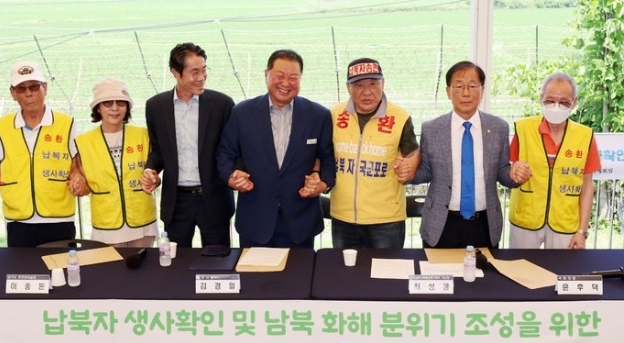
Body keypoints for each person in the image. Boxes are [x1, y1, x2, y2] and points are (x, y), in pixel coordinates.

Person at [216, 49, 335, 248]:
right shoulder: (242, 113)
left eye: (293, 77)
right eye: (280, 76)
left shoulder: (318, 115)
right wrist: (231, 177)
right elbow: (224, 154)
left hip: (301, 224)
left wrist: (322, 184)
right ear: (266, 74)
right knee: (253, 270)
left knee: (301, 270)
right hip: (255, 222)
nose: (286, 83)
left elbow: (328, 158)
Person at [412, 60, 531, 248]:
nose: (466, 93)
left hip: (484, 224)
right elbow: (426, 171)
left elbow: (502, 172)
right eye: (459, 86)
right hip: (441, 224)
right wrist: (406, 172)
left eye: (473, 86)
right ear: (448, 91)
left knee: (484, 269)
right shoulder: (432, 129)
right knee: (440, 268)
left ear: (482, 90)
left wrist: (514, 175)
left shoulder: (498, 128)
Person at [0, 61, 85, 247]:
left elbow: (75, 165)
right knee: (21, 267)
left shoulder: (66, 123)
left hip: (58, 219)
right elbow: (4, 168)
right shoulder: (3, 126)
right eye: (21, 88)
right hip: (18, 221)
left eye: (34, 86)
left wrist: (78, 178)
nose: (29, 93)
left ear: (45, 88)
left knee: (61, 265)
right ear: (13, 93)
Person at [140, 43, 235, 247]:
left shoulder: (222, 105)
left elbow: (232, 150)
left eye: (204, 69)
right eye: (194, 72)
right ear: (176, 72)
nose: (202, 77)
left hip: (214, 200)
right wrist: (150, 169)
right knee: (176, 262)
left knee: (218, 260)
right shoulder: (156, 107)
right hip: (176, 203)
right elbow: (158, 150)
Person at [329, 57, 420, 249]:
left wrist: (410, 165)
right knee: (344, 268)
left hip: (386, 221)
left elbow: (413, 153)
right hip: (343, 218)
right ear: (348, 88)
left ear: (383, 83)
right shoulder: (333, 116)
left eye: (373, 83)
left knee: (386, 268)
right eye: (359, 85)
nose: (367, 91)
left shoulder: (400, 117)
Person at [509, 72, 601, 249]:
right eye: (550, 101)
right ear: (541, 99)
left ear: (574, 102)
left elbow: (587, 186)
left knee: (562, 267)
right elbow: (507, 171)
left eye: (564, 102)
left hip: (565, 223)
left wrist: (582, 231)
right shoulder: (523, 129)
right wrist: (514, 171)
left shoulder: (585, 136)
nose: (556, 107)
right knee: (520, 266)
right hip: (525, 220)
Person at [74, 77, 158, 247]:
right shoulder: (83, 142)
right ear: (98, 108)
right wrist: (78, 181)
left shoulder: (144, 135)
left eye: (120, 102)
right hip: (106, 225)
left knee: (144, 263)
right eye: (107, 103)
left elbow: (155, 168)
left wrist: (154, 179)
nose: (114, 108)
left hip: (143, 223)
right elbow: (78, 176)